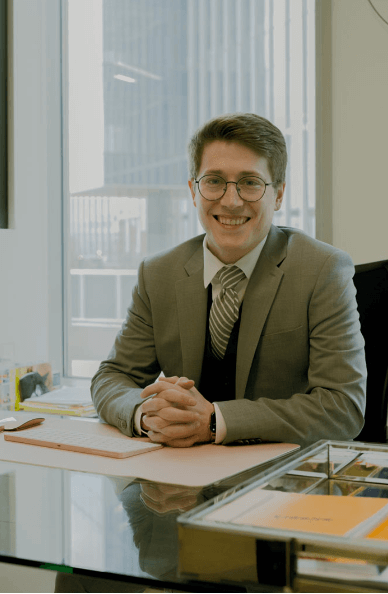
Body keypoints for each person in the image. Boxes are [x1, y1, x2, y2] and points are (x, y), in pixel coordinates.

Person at [91, 112, 367, 449]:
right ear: (194, 190)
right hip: (180, 477)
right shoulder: (158, 273)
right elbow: (112, 377)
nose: (231, 200)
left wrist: (213, 422)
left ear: (278, 194)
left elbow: (342, 408)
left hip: (281, 481)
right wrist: (145, 414)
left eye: (250, 182)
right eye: (214, 181)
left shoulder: (322, 270)